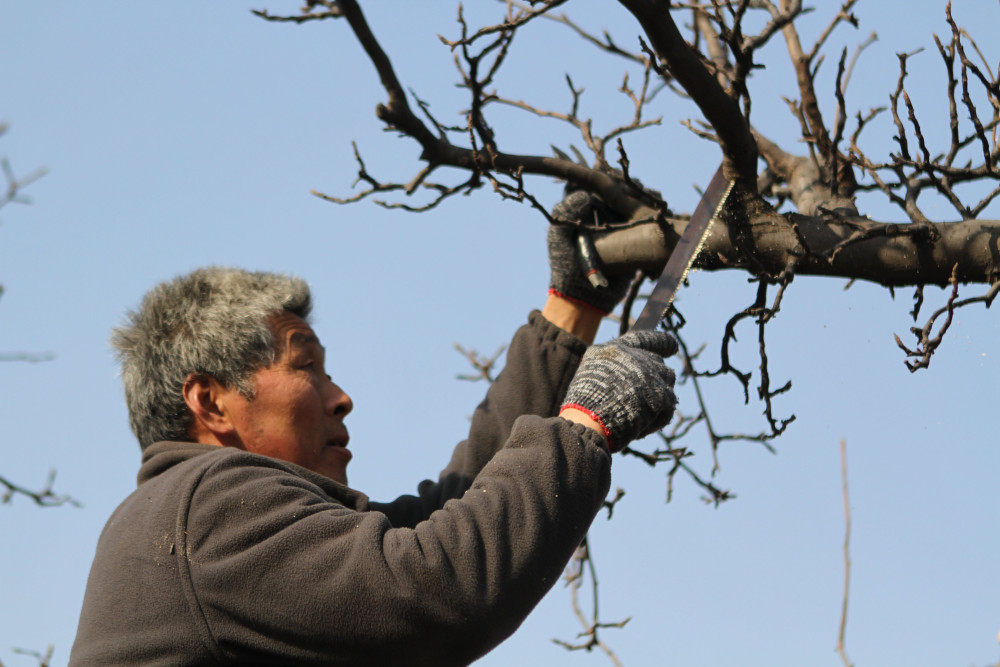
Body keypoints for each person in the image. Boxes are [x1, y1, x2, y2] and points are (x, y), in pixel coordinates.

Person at [69, 192, 678, 666]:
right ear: (211, 403)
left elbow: (450, 515)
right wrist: (581, 427)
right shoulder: (206, 508)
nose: (341, 397)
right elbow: (434, 587)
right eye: (305, 366)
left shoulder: (197, 523)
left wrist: (570, 312)